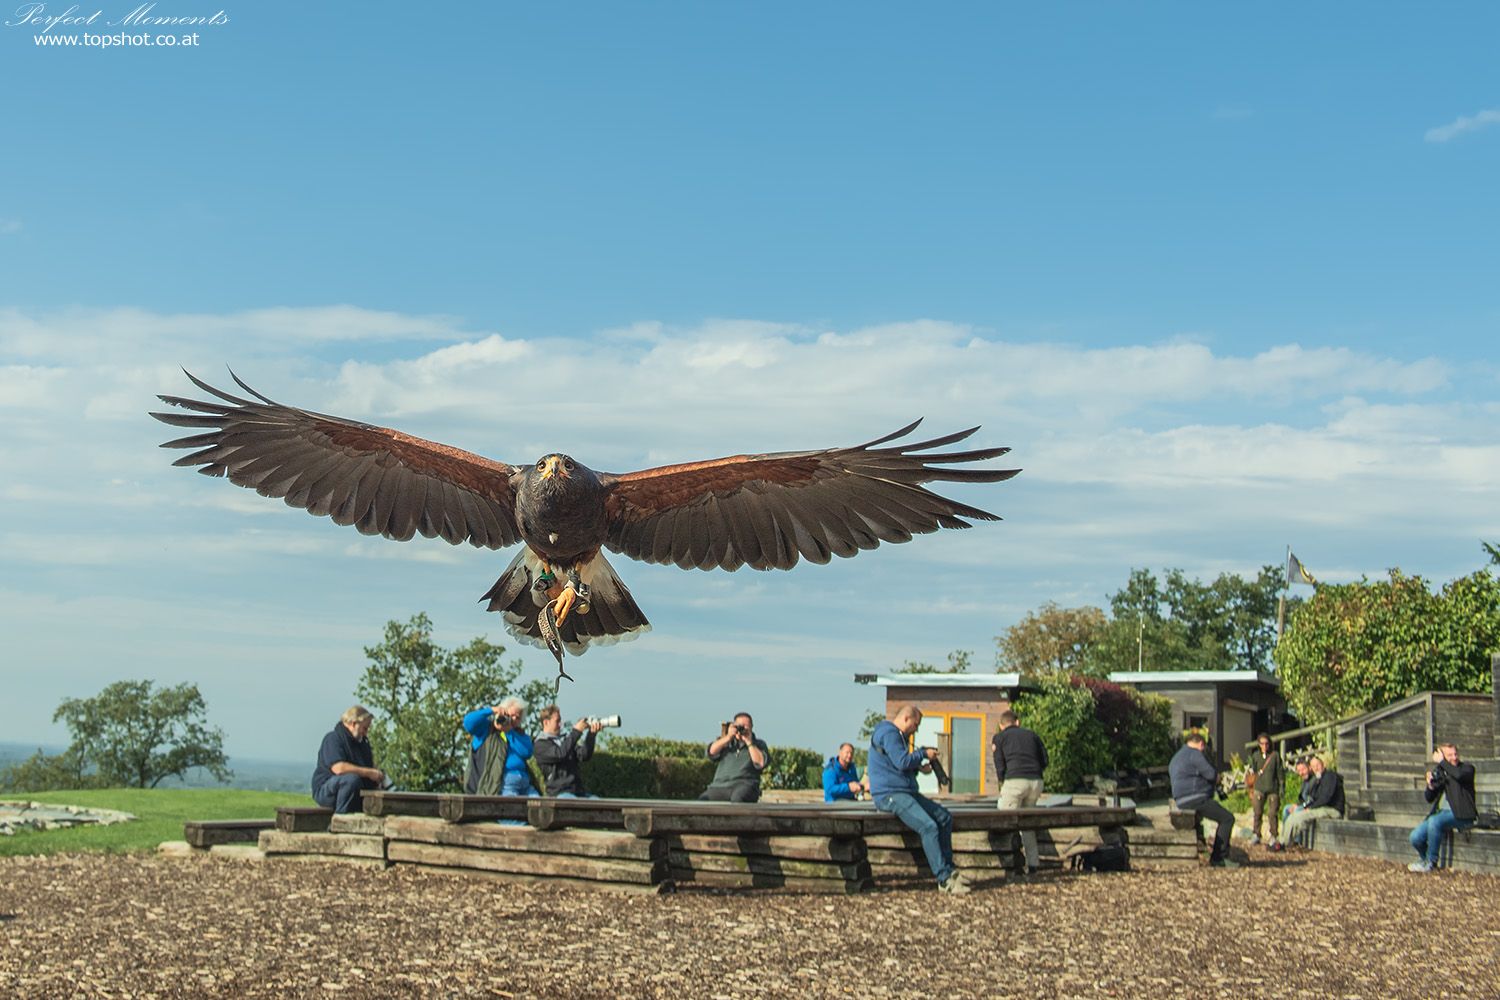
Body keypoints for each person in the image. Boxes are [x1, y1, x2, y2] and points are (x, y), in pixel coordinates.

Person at [869, 704, 970, 894]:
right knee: (928, 826)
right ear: (906, 719)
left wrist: (918, 768)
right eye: (916, 724)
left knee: (944, 817)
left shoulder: (898, 736)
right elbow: (901, 761)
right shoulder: (889, 733)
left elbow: (896, 764)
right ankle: (943, 878)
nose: (916, 729)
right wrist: (923, 753)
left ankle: (949, 869)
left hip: (905, 791)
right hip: (889, 794)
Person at [992, 709, 1048, 874]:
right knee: (1027, 824)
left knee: (1004, 820)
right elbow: (1045, 759)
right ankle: (1033, 864)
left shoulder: (1000, 737)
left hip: (1015, 780)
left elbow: (999, 763)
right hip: (1036, 782)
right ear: (1017, 722)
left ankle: (1009, 864)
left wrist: (1003, 780)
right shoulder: (1032, 735)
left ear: (1001, 725)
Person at [1169, 732, 1237, 868]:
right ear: (1201, 744)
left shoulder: (1176, 757)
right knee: (1227, 819)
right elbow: (1211, 774)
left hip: (1180, 799)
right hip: (1195, 798)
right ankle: (1219, 858)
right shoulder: (1195, 754)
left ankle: (1211, 852)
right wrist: (1218, 779)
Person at [1408, 743, 1478, 873]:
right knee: (1415, 837)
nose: (1454, 757)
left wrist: (1442, 762)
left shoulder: (1467, 769)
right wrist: (1431, 786)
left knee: (1435, 821)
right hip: (1441, 814)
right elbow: (1429, 798)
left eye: (1455, 754)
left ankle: (1431, 862)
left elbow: (1458, 775)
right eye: (1450, 755)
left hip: (1462, 815)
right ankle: (1424, 860)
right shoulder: (1441, 772)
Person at [311, 705, 385, 814]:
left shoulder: (363, 744)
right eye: (364, 728)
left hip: (353, 789)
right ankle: (340, 819)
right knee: (351, 780)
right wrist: (369, 773)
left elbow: (369, 770)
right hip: (327, 789)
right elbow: (338, 768)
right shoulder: (333, 739)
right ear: (353, 723)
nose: (366, 733)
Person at [462, 697, 538, 798]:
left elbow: (527, 752)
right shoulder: (487, 730)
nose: (514, 719)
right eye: (510, 715)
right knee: (511, 805)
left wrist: (509, 732)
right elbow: (468, 722)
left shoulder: (520, 735)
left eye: (518, 717)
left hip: (525, 784)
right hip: (501, 786)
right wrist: (492, 710)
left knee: (539, 804)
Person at [532, 705, 602, 798]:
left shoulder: (564, 740)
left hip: (578, 791)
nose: (560, 724)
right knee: (572, 803)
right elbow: (560, 754)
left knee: (598, 803)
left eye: (560, 720)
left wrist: (591, 735)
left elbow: (584, 755)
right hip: (559, 793)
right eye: (557, 721)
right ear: (546, 722)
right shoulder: (540, 744)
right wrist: (576, 732)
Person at [699, 712, 771, 802]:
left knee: (738, 799)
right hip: (720, 785)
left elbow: (760, 763)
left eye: (745, 726)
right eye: (739, 726)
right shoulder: (726, 742)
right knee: (703, 800)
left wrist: (749, 742)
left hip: (745, 785)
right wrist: (728, 737)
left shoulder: (759, 744)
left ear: (751, 727)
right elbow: (711, 752)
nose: (742, 729)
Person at [1282, 754, 1344, 848]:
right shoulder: (1319, 779)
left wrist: (1309, 808)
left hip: (1332, 810)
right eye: (1314, 766)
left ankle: (1285, 843)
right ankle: (1284, 841)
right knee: (1293, 815)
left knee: (1299, 816)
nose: (1316, 768)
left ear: (1323, 764)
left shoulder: (1330, 776)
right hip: (1322, 808)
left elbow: (1326, 798)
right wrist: (1303, 806)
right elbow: (1313, 798)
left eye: (1318, 765)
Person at [1248, 733, 1285, 850]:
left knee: (1272, 814)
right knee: (1257, 812)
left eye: (1267, 743)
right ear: (1259, 744)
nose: (1265, 746)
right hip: (1259, 787)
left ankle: (1274, 835)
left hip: (1272, 788)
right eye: (1262, 744)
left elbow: (1280, 773)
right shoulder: (1255, 756)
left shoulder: (1275, 756)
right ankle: (1256, 834)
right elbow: (1252, 771)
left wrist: (1282, 788)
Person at [1281, 758, 1315, 829]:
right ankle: (1286, 835)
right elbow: (1302, 798)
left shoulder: (1314, 781)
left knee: (1297, 811)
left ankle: (1297, 839)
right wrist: (1296, 805)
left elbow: (1312, 799)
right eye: (1299, 771)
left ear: (1309, 768)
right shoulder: (1304, 781)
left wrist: (1301, 806)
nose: (1301, 773)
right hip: (1303, 805)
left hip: (1311, 806)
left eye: (1303, 769)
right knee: (1286, 809)